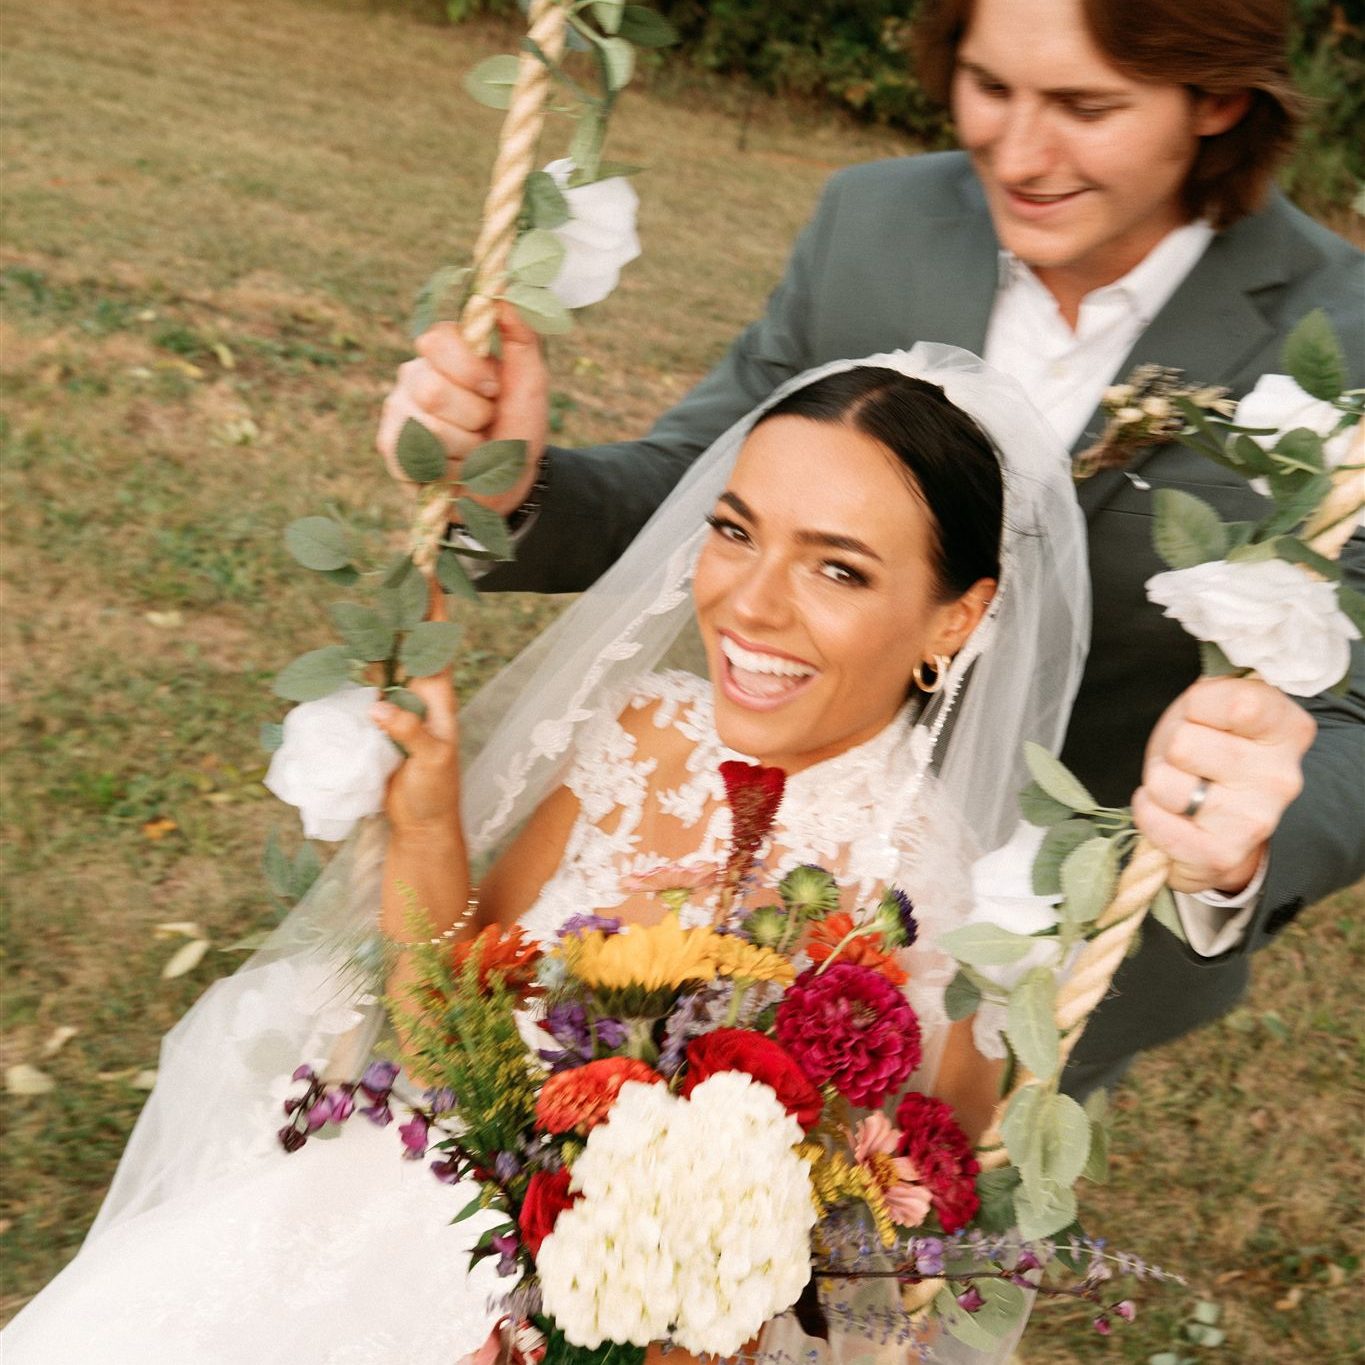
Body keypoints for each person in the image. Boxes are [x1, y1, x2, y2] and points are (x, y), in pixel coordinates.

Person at [2, 347, 1090, 1362]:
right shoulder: (639, 730)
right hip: (401, 1201)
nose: (749, 602)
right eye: (734, 530)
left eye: (839, 571)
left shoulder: (935, 904)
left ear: (957, 620)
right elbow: (440, 1038)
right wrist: (426, 823)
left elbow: (870, 1282)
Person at [377, 0, 1365, 1097]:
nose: (1021, 152)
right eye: (991, 87)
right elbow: (705, 475)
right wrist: (516, 489)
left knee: (907, 1234)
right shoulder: (874, 222)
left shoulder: (1344, 333)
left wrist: (1241, 843)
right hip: (727, 835)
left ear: (1217, 96)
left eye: (1087, 107)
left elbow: (1351, 705)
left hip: (1043, 933)